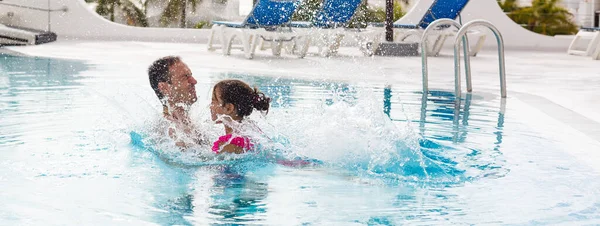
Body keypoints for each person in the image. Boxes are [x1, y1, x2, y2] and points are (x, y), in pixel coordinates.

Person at [148, 56, 204, 147]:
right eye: (185, 77)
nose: (194, 81)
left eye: (191, 75)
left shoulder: (187, 123)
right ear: (164, 88)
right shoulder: (171, 132)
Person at [209, 79, 271, 154]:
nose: (210, 106)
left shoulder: (228, 145)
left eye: (213, 101)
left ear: (229, 108)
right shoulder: (251, 129)